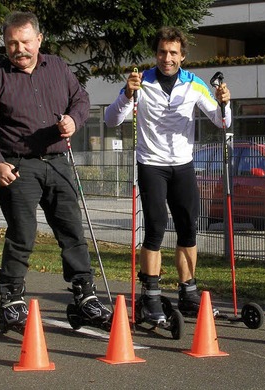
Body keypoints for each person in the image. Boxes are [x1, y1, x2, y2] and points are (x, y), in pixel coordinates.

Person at [0, 11, 112, 331]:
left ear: (39, 40)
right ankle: (11, 299)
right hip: (18, 166)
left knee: (72, 230)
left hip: (59, 162)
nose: (19, 50)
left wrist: (74, 120)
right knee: (22, 233)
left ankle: (85, 297)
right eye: (11, 44)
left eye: (25, 42)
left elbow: (81, 99)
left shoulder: (59, 68)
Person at [104, 26, 231, 323]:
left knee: (188, 229)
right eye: (162, 52)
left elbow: (221, 122)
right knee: (156, 229)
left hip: (183, 165)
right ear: (156, 54)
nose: (167, 58)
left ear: (182, 56)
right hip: (151, 164)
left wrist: (224, 101)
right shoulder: (141, 82)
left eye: (173, 53)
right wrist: (126, 94)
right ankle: (150, 296)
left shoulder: (194, 84)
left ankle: (188, 293)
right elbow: (111, 120)